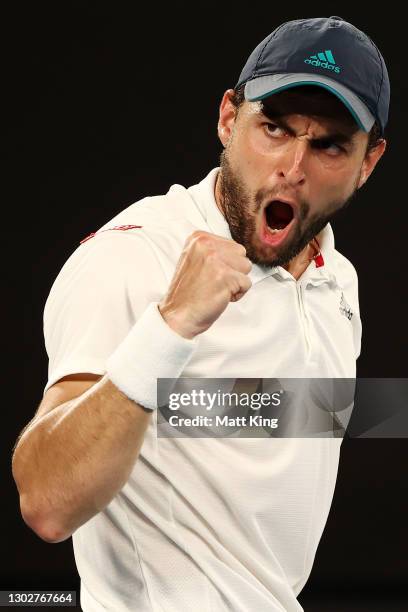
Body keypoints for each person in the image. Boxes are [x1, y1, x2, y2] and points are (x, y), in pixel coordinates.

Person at [13, 15, 389, 612]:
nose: (292, 167)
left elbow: (256, 423)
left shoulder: (335, 278)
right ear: (227, 119)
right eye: (273, 128)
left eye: (329, 146)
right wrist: (170, 328)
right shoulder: (132, 258)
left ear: (368, 163)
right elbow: (46, 502)